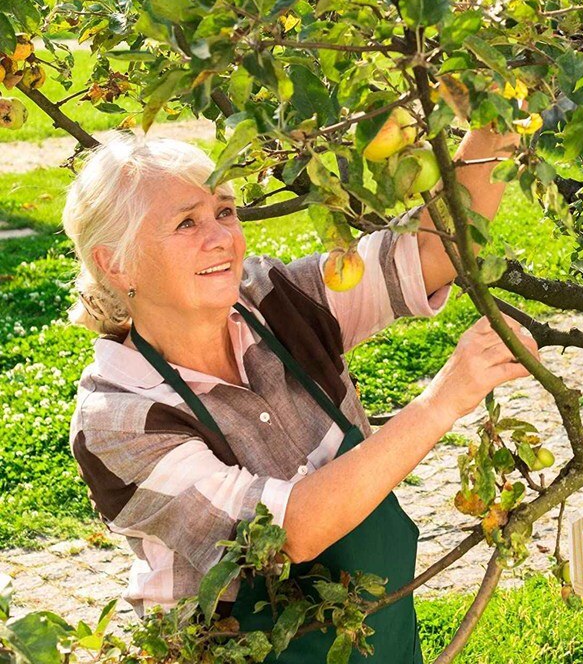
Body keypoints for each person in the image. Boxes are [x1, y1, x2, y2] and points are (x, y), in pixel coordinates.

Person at [63, 131, 540, 662]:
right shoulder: (121, 417)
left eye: (225, 211)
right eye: (186, 222)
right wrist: (443, 400)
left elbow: (434, 252)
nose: (220, 237)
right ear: (116, 264)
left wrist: (495, 115)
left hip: (376, 638)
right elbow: (286, 534)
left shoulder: (278, 302)